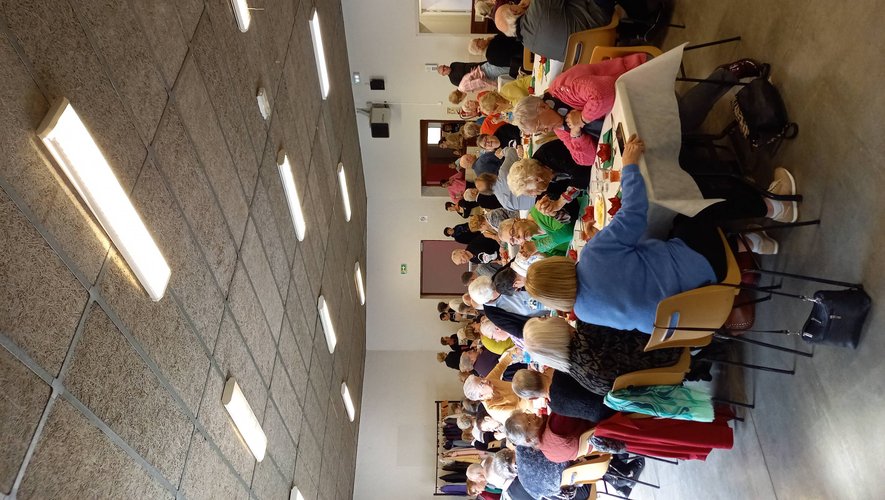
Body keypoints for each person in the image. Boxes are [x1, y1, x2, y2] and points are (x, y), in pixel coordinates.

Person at [524, 135, 800, 332]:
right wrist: (630, 165)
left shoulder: (585, 313)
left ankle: (751, 243)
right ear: (555, 265)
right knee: (690, 208)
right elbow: (635, 211)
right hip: (703, 268)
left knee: (677, 233)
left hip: (696, 315)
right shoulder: (592, 257)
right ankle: (775, 206)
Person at [521, 316, 682, 395]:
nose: (549, 317)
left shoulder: (578, 373)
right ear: (551, 331)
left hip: (661, 381)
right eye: (544, 319)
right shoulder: (587, 329)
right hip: (669, 343)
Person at [495, 0, 613, 61]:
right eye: (512, 4)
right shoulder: (538, 10)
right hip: (600, 20)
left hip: (593, 57)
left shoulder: (527, 43)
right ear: (515, 11)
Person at [512, 368, 615, 422]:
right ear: (535, 371)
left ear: (533, 398)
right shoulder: (559, 370)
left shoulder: (555, 407)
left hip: (608, 414)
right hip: (613, 390)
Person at [463, 348, 532, 424]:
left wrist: (515, 352)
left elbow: (501, 365)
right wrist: (529, 391)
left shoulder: (489, 380)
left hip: (528, 390)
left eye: (481, 378)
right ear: (481, 396)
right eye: (482, 384)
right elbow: (519, 410)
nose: (485, 380)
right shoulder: (493, 408)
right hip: (530, 408)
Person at [505, 410, 595, 463]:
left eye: (527, 414)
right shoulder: (554, 427)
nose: (533, 415)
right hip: (598, 424)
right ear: (528, 439)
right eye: (529, 421)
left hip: (594, 444)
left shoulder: (549, 456)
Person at [469, 275, 549, 318]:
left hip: (544, 284)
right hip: (545, 306)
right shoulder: (497, 312)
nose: (496, 287)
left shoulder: (499, 279)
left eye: (493, 284)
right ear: (488, 299)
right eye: (493, 289)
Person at [498, 216, 572, 257]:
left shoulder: (540, 213)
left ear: (518, 220)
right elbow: (564, 256)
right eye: (513, 241)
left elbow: (569, 231)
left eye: (512, 232)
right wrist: (539, 254)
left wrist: (537, 246)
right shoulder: (533, 240)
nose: (517, 237)